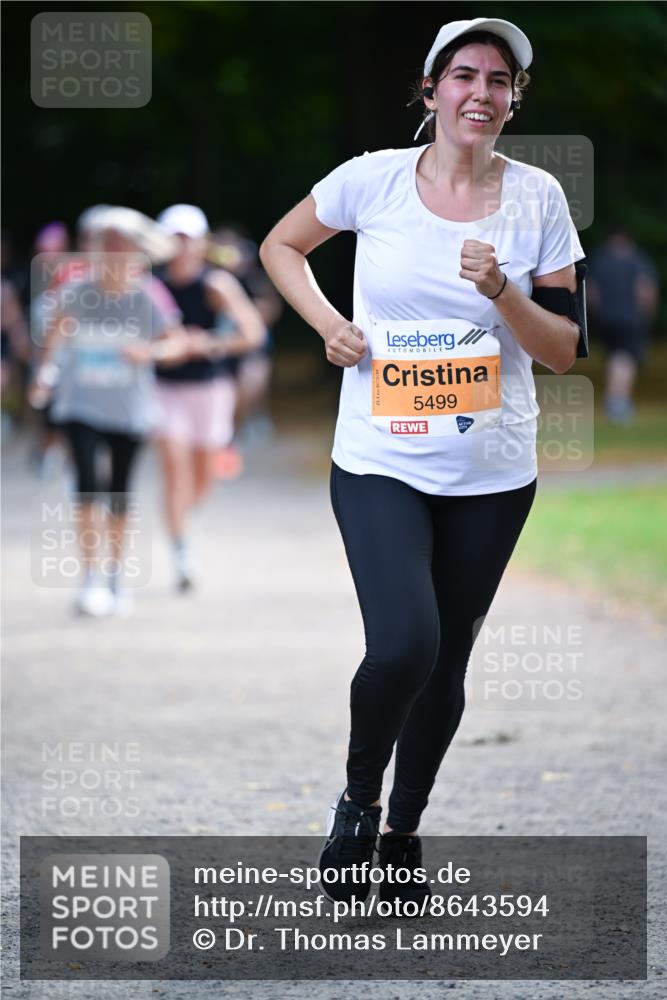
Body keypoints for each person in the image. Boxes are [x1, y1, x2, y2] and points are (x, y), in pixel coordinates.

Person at [260, 17, 586, 914]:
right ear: (432, 88)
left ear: (513, 100)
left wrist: (500, 292)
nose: (481, 92)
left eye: (499, 81)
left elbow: (563, 351)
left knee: (447, 664)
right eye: (464, 75)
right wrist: (330, 326)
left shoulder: (538, 199)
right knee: (406, 641)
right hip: (377, 459)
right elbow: (278, 247)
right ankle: (356, 807)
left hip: (490, 471)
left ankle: (403, 832)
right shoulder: (370, 180)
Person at [28, 208, 187, 616]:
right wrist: (45, 373)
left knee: (118, 492)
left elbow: (176, 344)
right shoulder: (77, 290)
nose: (113, 250)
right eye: (106, 243)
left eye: (121, 243)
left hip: (130, 409)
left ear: (136, 250)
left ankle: (117, 578)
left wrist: (148, 351)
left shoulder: (148, 295)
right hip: (79, 404)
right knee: (86, 489)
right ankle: (90, 580)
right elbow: (54, 335)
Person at [154, 205, 266, 591]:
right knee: (173, 465)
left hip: (210, 388)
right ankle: (181, 550)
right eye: (174, 238)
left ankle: (190, 517)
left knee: (203, 471)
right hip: (163, 387)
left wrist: (207, 344)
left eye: (187, 239)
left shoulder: (216, 284)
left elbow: (251, 333)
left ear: (201, 243)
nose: (181, 247)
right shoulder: (151, 286)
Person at [587, 227, 659, 423]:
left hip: (606, 319)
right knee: (625, 358)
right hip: (630, 318)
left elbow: (592, 292)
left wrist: (597, 316)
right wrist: (648, 316)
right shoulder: (637, 260)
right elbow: (645, 290)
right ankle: (618, 401)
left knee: (614, 357)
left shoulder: (601, 260)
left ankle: (615, 399)